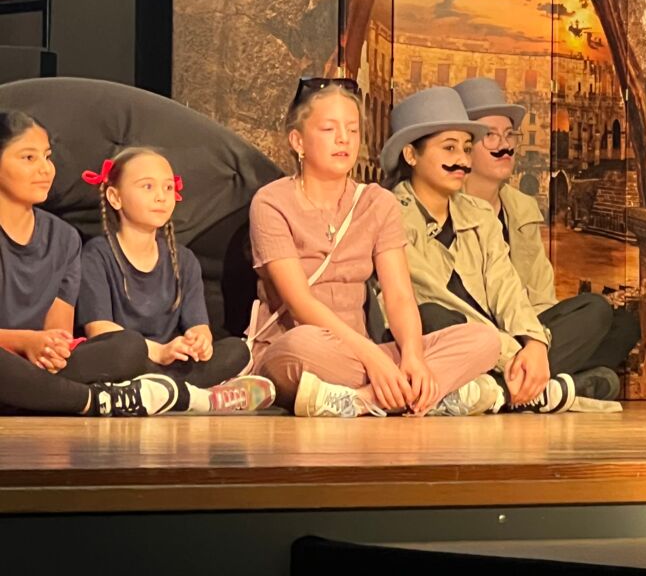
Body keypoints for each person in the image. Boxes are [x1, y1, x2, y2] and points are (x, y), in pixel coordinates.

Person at [248, 77, 501, 417]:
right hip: (306, 349)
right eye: (329, 129)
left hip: (364, 353)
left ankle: (363, 400)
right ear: (298, 141)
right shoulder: (271, 202)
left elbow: (399, 295)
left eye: (352, 130)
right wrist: (374, 360)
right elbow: (300, 303)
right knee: (301, 345)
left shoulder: (377, 202)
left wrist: (412, 356)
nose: (344, 139)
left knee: (485, 340)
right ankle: (427, 395)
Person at [380, 86, 577, 414]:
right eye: (449, 148)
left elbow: (506, 287)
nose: (461, 160)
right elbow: (428, 294)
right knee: (435, 316)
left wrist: (535, 344)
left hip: (497, 340)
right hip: (448, 337)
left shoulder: (479, 213)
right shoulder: (389, 213)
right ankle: (539, 388)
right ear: (411, 155)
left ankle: (495, 391)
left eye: (467, 149)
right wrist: (509, 354)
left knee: (595, 315)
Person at [453, 77, 640, 400]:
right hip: (483, 336)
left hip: (528, 330)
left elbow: (541, 295)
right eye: (491, 135)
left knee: (623, 325)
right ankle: (547, 386)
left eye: (509, 134)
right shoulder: (447, 207)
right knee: (596, 310)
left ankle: (521, 387)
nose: (504, 145)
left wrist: (537, 341)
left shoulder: (522, 208)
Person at [0, 109, 185, 416]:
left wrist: (48, 348)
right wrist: (24, 342)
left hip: (38, 366)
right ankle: (92, 400)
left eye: (47, 157)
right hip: (8, 358)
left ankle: (37, 396)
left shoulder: (64, 238)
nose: (45, 169)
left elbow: (59, 337)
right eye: (29, 158)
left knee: (128, 347)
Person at [78, 146, 272, 413]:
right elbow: (99, 331)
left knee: (237, 350)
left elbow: (198, 325)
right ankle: (197, 397)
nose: (161, 196)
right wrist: (158, 351)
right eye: (147, 187)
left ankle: (166, 393)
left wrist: (199, 342)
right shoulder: (97, 255)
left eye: (168, 187)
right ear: (115, 197)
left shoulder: (184, 259)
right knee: (126, 349)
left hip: (170, 361)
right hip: (131, 359)